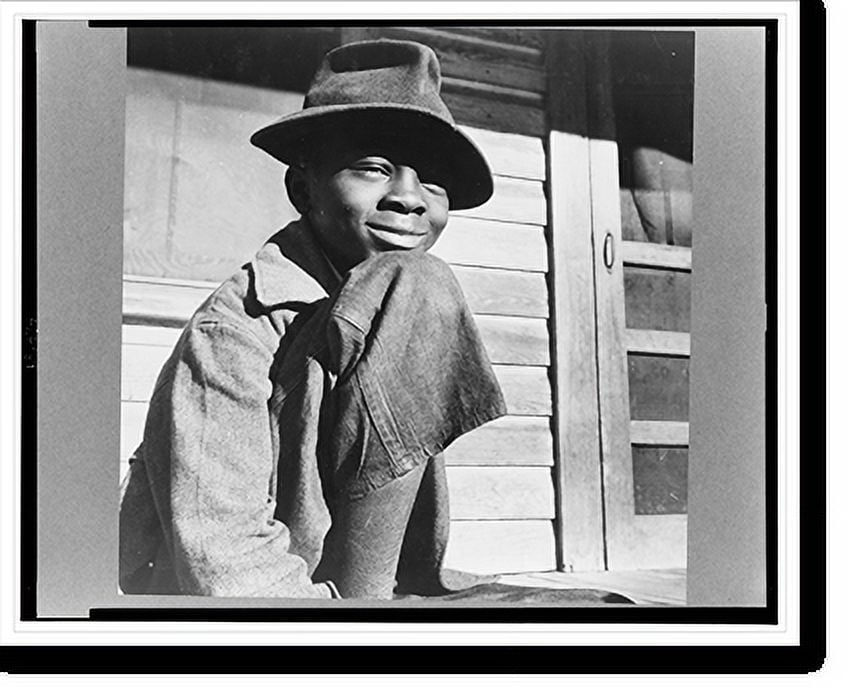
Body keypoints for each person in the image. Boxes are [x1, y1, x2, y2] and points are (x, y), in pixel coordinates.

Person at [118, 39, 508, 599]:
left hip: (346, 591)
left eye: (432, 180)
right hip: (234, 601)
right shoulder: (233, 335)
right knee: (419, 280)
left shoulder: (391, 309)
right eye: (374, 169)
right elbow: (224, 563)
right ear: (303, 189)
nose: (410, 198)